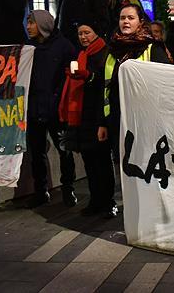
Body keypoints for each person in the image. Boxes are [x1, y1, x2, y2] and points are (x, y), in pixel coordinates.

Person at [101, 4, 171, 160]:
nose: (125, 21)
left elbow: (166, 82)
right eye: (122, 18)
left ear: (140, 22)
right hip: (117, 119)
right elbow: (105, 88)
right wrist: (104, 122)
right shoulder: (112, 50)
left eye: (131, 18)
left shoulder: (152, 48)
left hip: (145, 121)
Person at [58, 21, 113, 216]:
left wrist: (88, 76)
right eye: (80, 33)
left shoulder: (105, 53)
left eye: (87, 32)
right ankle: (95, 201)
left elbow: (103, 84)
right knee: (90, 162)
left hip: (97, 115)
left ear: (96, 33)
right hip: (82, 115)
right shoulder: (82, 54)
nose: (83, 37)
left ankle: (107, 202)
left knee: (102, 162)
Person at [25, 10, 77, 208]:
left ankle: (68, 189)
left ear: (43, 25)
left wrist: (59, 100)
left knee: (64, 150)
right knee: (37, 153)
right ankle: (41, 191)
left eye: (32, 23)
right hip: (35, 109)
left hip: (57, 110)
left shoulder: (63, 47)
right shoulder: (28, 48)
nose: (28, 26)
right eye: (28, 23)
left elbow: (71, 77)